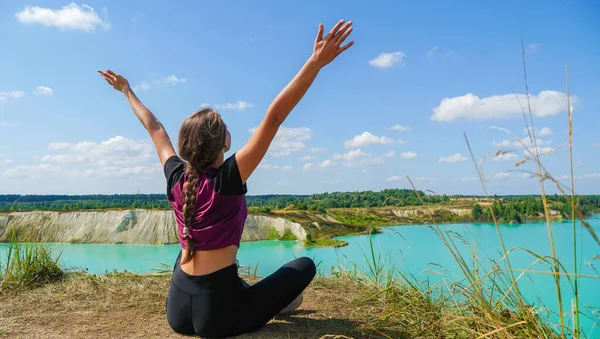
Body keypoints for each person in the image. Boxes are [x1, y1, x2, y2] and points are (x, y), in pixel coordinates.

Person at [98, 19, 354, 338]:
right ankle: (272, 302)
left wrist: (126, 90)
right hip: (217, 316)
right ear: (225, 143)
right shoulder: (229, 178)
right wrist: (314, 63)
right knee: (304, 266)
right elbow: (274, 116)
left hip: (177, 310)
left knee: (193, 242)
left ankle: (248, 292)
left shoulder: (176, 175)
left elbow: (154, 128)